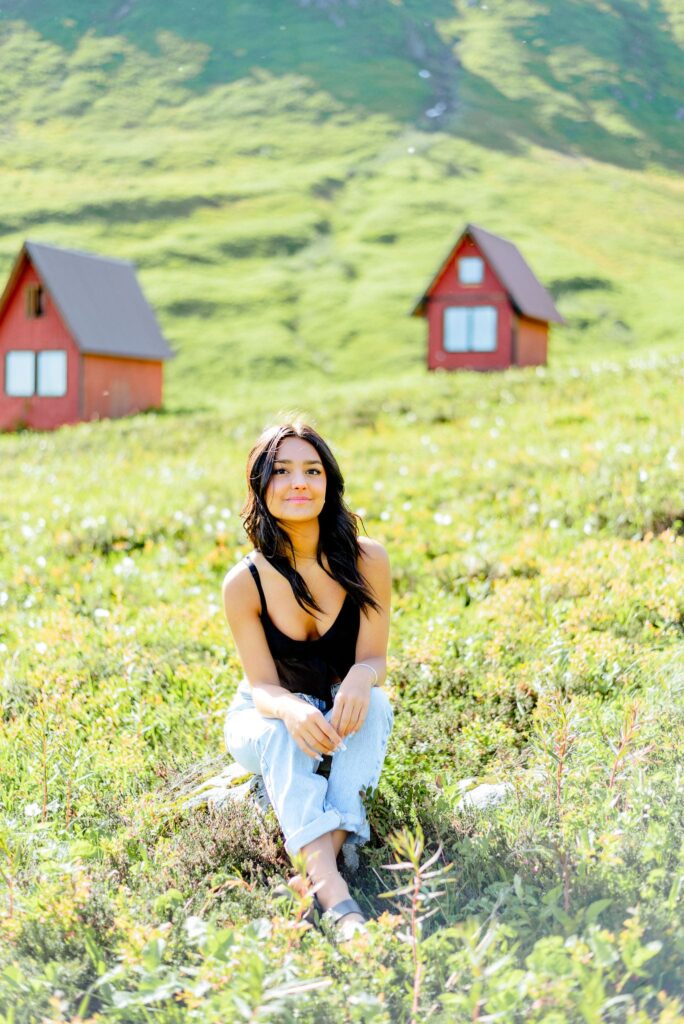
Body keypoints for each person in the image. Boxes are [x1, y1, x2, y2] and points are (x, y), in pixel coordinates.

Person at [221, 420, 394, 939]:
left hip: (337, 708)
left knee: (378, 706)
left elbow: (375, 657)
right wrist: (294, 710)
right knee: (281, 731)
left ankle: (316, 868)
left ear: (328, 483)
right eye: (282, 471)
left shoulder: (369, 559)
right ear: (260, 485)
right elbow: (263, 689)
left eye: (312, 470)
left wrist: (362, 677)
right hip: (265, 715)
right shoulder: (244, 582)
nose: (299, 482)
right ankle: (340, 902)